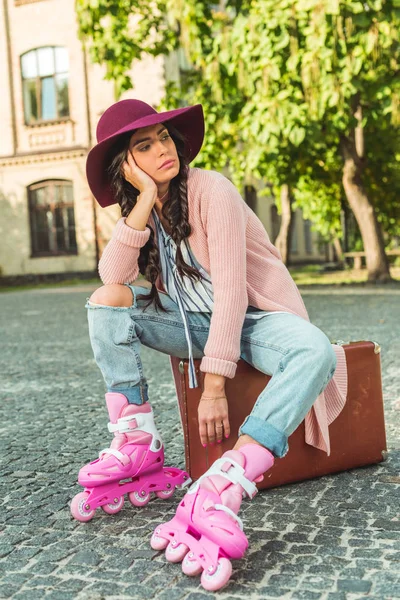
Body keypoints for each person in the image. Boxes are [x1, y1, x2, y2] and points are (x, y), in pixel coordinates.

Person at [71, 99, 348, 591]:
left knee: (316, 350)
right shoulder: (146, 210)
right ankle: (136, 442)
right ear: (127, 166)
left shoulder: (211, 190)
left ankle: (226, 481)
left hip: (254, 320)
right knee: (105, 299)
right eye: (144, 145)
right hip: (189, 325)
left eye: (163, 138)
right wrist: (142, 202)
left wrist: (215, 385)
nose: (163, 149)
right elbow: (113, 277)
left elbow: (233, 294)